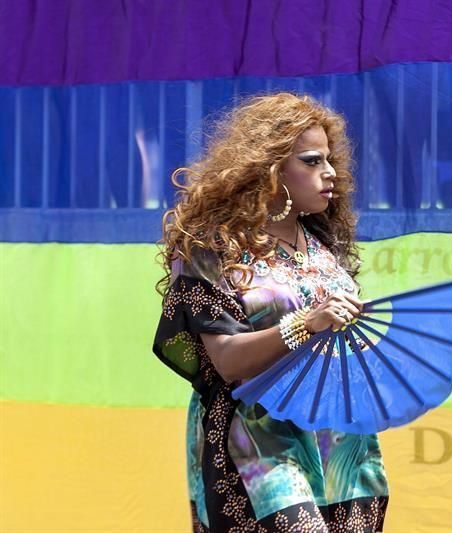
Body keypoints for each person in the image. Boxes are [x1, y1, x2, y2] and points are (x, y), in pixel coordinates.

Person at [153, 93, 389, 532]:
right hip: (257, 445)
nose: (330, 173)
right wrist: (307, 323)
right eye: (312, 161)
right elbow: (226, 360)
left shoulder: (323, 248)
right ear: (270, 170)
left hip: (340, 445)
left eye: (330, 161)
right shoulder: (212, 248)